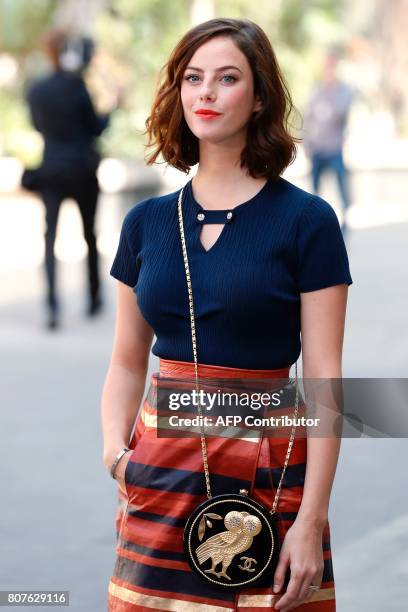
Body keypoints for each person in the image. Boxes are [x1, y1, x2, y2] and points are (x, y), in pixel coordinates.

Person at [102, 18, 352, 612]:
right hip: (159, 473)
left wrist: (312, 517)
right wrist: (117, 455)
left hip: (271, 467)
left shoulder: (307, 222)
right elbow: (125, 359)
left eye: (227, 77)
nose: (206, 92)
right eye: (192, 78)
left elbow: (324, 379)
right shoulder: (146, 223)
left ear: (260, 95)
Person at [25, 29, 112, 329]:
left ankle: (51, 304)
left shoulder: (36, 89)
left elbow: (36, 125)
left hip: (50, 169)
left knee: (49, 237)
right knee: (89, 234)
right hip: (82, 169)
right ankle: (94, 298)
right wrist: (111, 108)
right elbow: (96, 128)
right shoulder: (77, 87)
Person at [303, 51, 355, 236]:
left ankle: (345, 219)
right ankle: (314, 221)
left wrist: (330, 93)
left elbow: (341, 113)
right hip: (317, 147)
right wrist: (307, 143)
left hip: (334, 147)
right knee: (314, 188)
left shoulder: (343, 91)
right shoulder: (316, 90)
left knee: (341, 183)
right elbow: (309, 117)